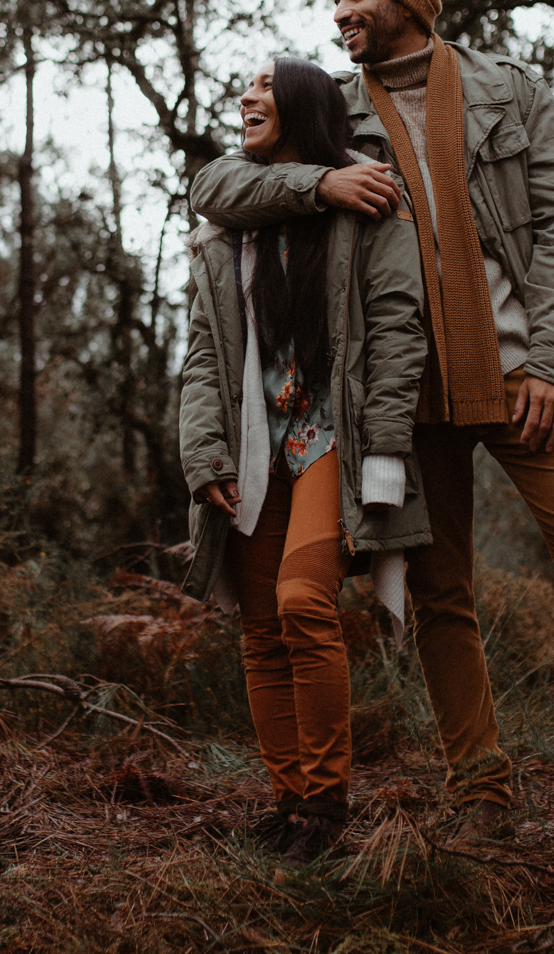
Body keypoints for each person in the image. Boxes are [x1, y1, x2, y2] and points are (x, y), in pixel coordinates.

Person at [188, 0, 554, 854]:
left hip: (524, 376)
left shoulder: (512, 90)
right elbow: (220, 185)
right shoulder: (331, 109)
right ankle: (483, 796)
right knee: (440, 593)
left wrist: (549, 362)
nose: (340, 11)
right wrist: (320, 178)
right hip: (401, 398)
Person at [178, 55, 431, 865]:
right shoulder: (228, 222)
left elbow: (397, 331)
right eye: (243, 83)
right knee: (258, 630)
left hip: (333, 437)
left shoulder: (374, 202)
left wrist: (387, 446)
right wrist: (203, 454)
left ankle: (324, 802)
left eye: (263, 84)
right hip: (257, 439)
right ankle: (287, 803)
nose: (247, 95)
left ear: (303, 104)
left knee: (301, 604)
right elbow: (203, 357)